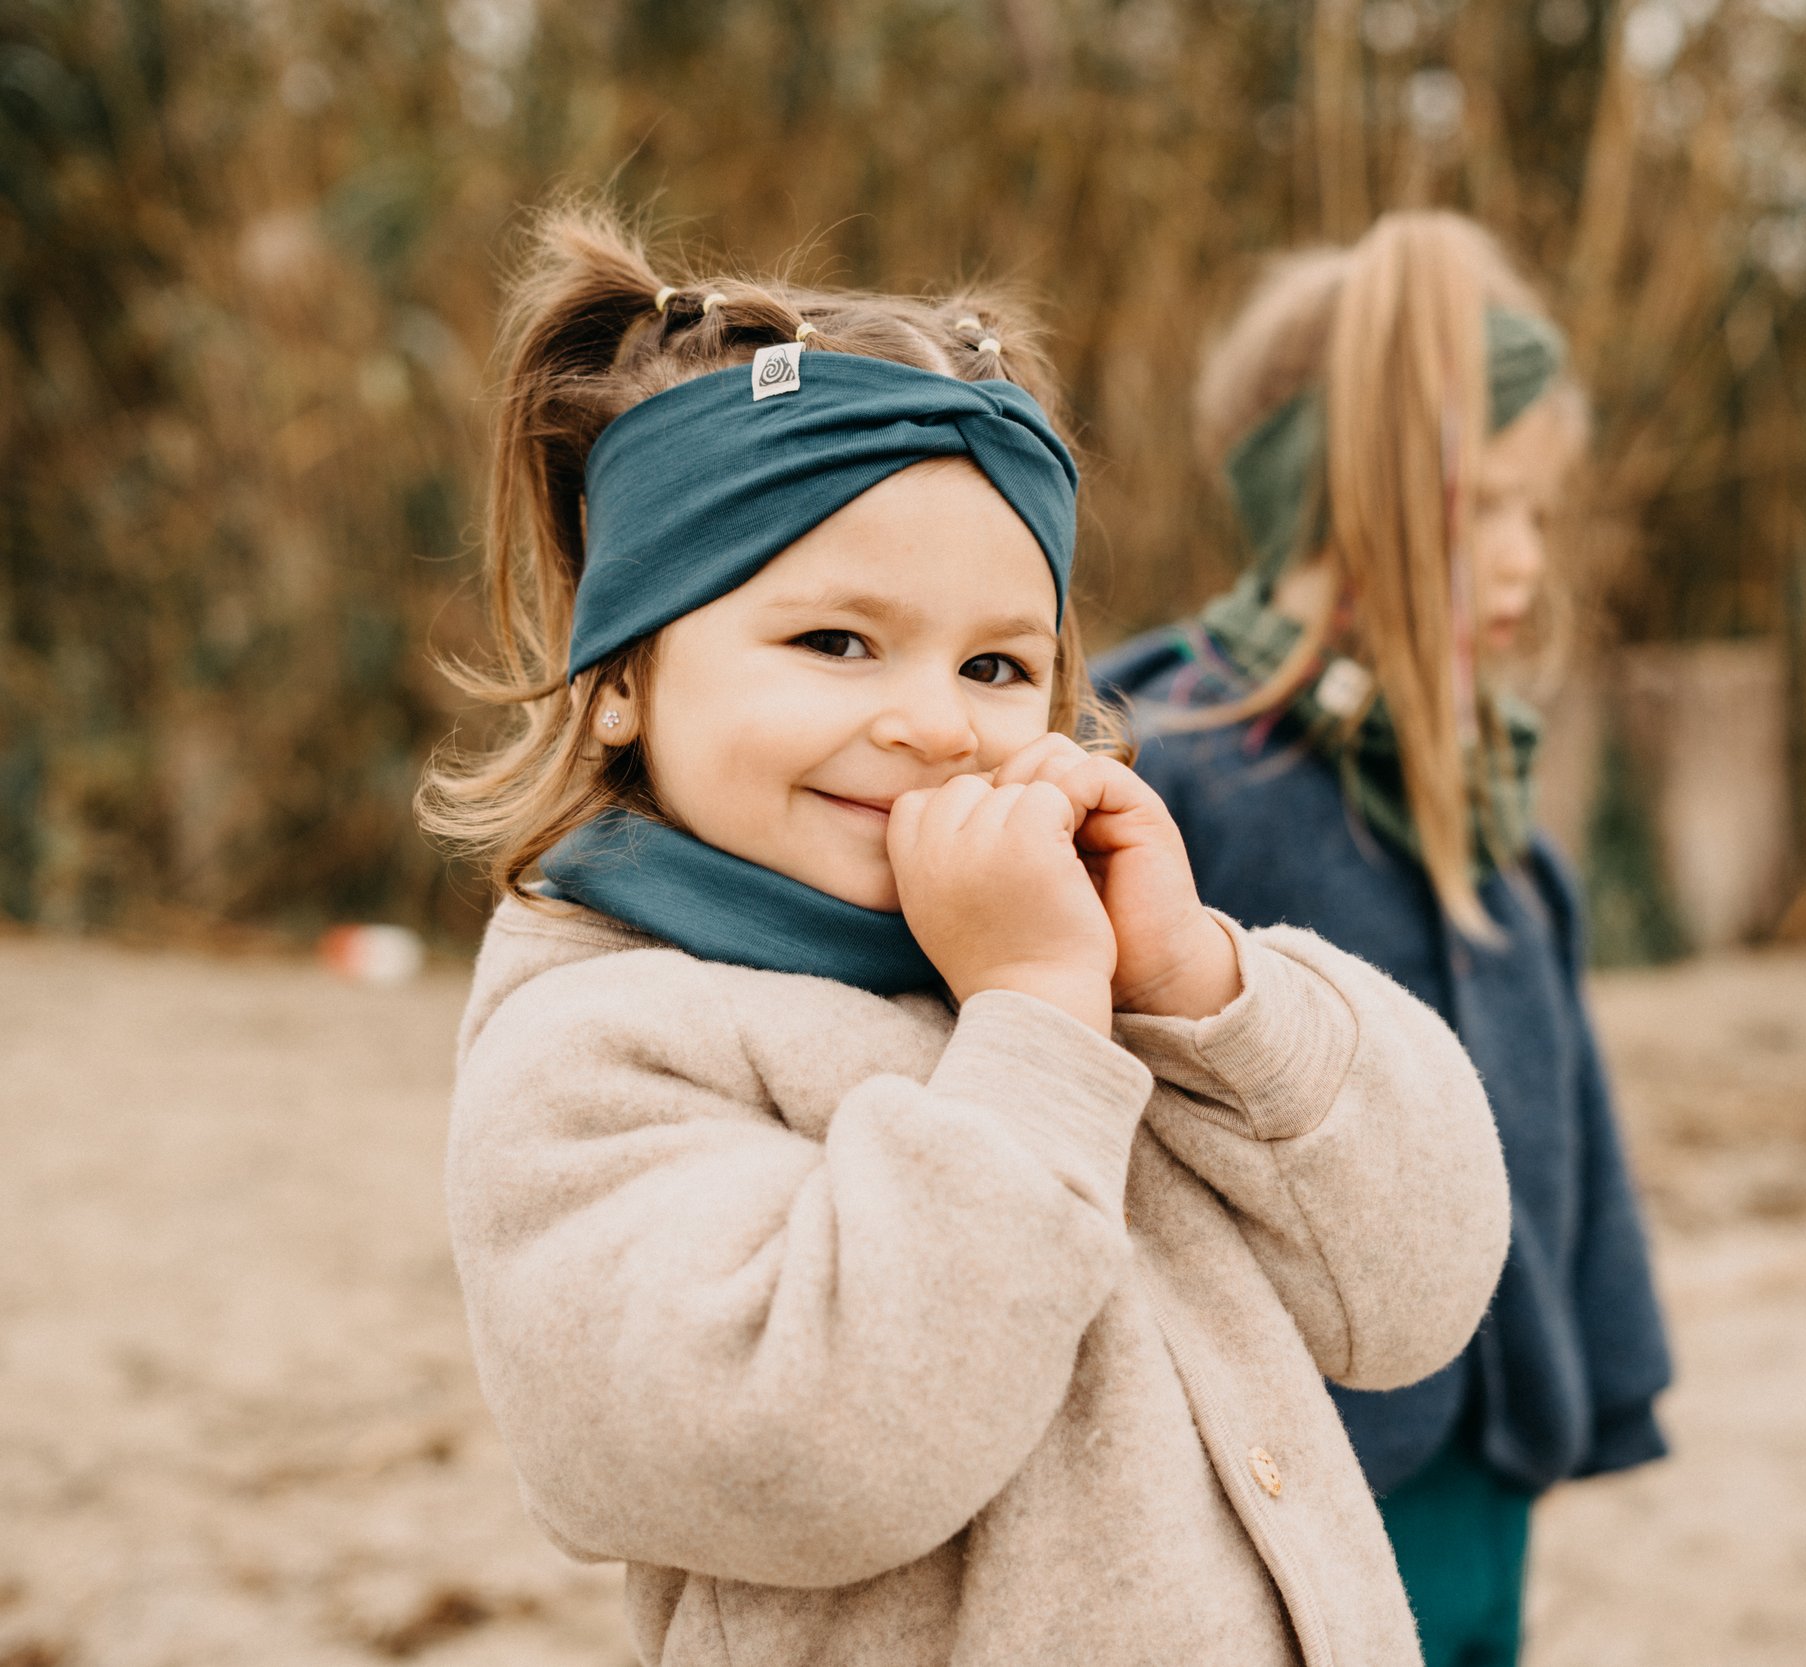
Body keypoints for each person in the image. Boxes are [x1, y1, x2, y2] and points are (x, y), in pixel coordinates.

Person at [419, 206, 1512, 1667]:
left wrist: (1205, 985)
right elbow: (814, 1454)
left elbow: (1413, 1293)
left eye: (999, 664)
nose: (937, 723)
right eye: (836, 641)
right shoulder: (595, 1055)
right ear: (619, 676)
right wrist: (1036, 1024)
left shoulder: (1081, 975)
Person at [1096, 210, 1675, 1667]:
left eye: (1543, 514)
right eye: (1488, 507)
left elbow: (1563, 1134)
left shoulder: (1488, 814)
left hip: (1482, 1454)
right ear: (1348, 497)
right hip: (1285, 1472)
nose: (1528, 562)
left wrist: (1598, 1376)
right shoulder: (1174, 787)